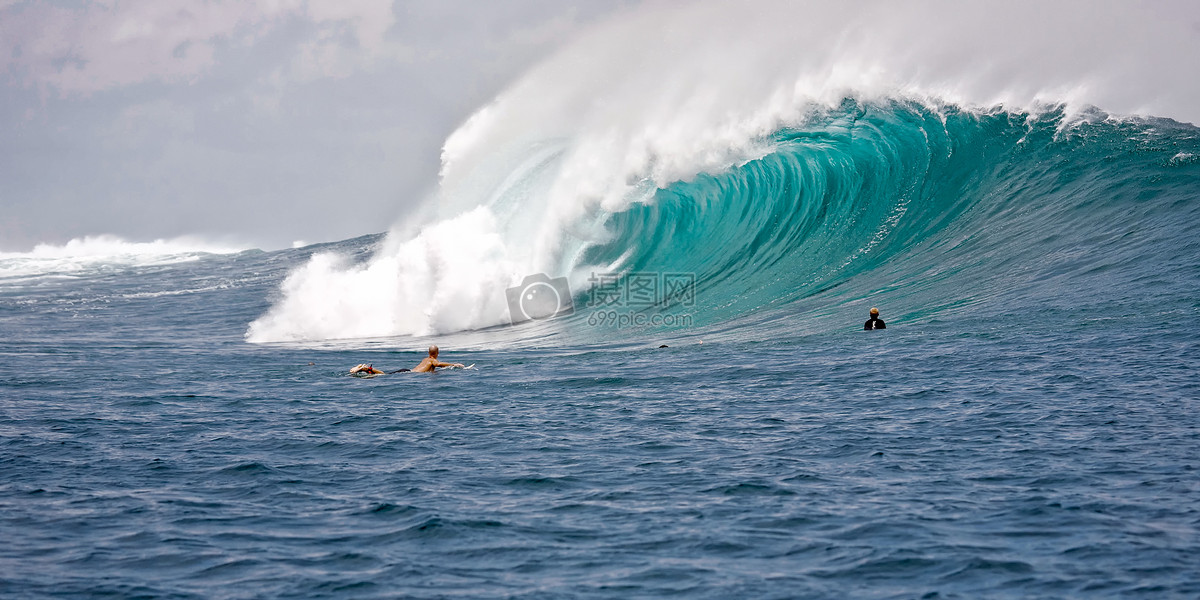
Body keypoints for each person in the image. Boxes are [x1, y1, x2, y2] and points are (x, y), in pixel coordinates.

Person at [349, 345, 465, 376]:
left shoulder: (425, 359)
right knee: (384, 376)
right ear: (437, 353)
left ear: (429, 353)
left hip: (408, 371)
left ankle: (366, 370)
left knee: (385, 375)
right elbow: (438, 364)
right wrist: (454, 365)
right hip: (409, 373)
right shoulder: (432, 361)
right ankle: (365, 368)